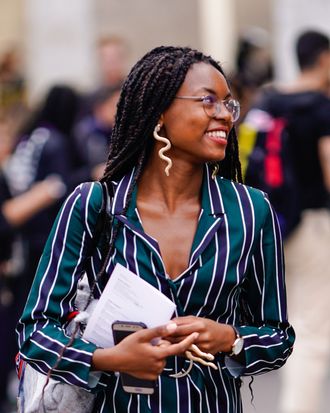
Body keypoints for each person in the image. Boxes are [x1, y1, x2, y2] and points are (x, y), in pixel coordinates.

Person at [16, 46, 295, 412]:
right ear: (160, 112)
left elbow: (277, 336)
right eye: (208, 101)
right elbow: (35, 330)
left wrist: (231, 338)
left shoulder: (249, 210)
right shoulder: (96, 205)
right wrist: (106, 359)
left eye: (230, 104)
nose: (225, 115)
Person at [258, 31, 330, 413]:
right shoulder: (319, 106)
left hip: (276, 222)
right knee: (313, 331)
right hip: (313, 224)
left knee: (292, 318)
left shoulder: (269, 100)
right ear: (322, 58)